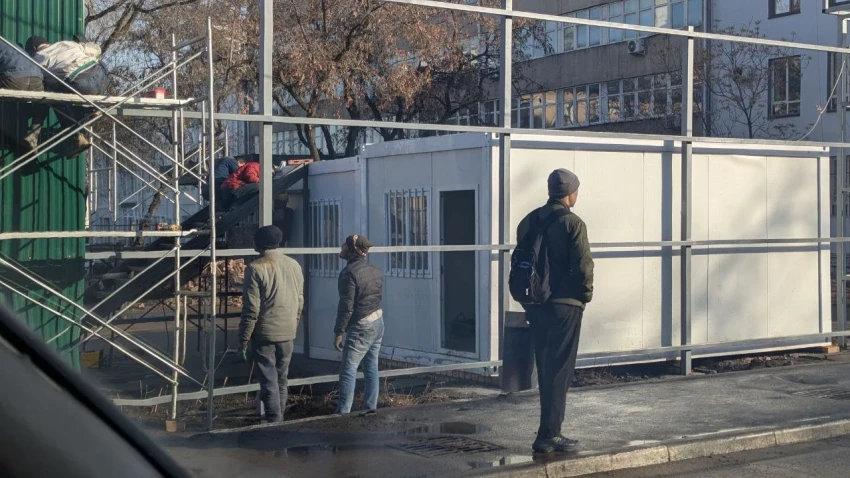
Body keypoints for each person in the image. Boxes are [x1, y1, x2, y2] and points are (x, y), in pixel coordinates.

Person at [515, 168, 594, 454]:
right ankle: (549, 434)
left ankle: (548, 432)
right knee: (560, 371)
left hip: (536, 305)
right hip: (565, 306)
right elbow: (583, 267)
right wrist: (584, 296)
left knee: (546, 367)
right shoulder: (573, 223)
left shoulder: (529, 220)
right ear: (570, 193)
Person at [237, 225, 304, 423]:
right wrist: (294, 324)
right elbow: (300, 300)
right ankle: (279, 420)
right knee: (282, 379)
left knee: (268, 382)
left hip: (265, 333)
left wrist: (243, 339)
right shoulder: (294, 265)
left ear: (258, 243)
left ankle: (274, 423)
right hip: (288, 331)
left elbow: (251, 309)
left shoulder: (255, 268)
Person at [26, 35, 109, 155]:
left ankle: (74, 133)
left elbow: (35, 80)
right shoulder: (66, 44)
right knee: (97, 61)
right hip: (102, 78)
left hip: (81, 83)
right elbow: (97, 49)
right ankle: (93, 108)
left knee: (54, 96)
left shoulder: (37, 59)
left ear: (34, 48)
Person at [334, 234, 384, 415]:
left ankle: (343, 413)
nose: (342, 247)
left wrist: (339, 331)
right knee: (371, 368)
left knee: (348, 369)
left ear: (352, 250)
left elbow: (346, 306)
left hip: (361, 325)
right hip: (377, 321)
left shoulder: (349, 273)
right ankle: (370, 408)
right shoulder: (376, 271)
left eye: (345, 245)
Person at [0, 41, 47, 153]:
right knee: (40, 104)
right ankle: (33, 135)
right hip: (37, 77)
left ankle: (7, 136)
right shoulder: (8, 44)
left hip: (15, 76)